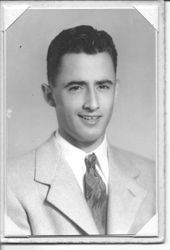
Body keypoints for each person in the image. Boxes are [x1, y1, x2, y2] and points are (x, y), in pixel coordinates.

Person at [6, 25, 156, 236]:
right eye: (76, 87)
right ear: (49, 95)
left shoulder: (157, 178)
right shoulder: (9, 186)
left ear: (116, 91)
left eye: (103, 86)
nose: (92, 104)